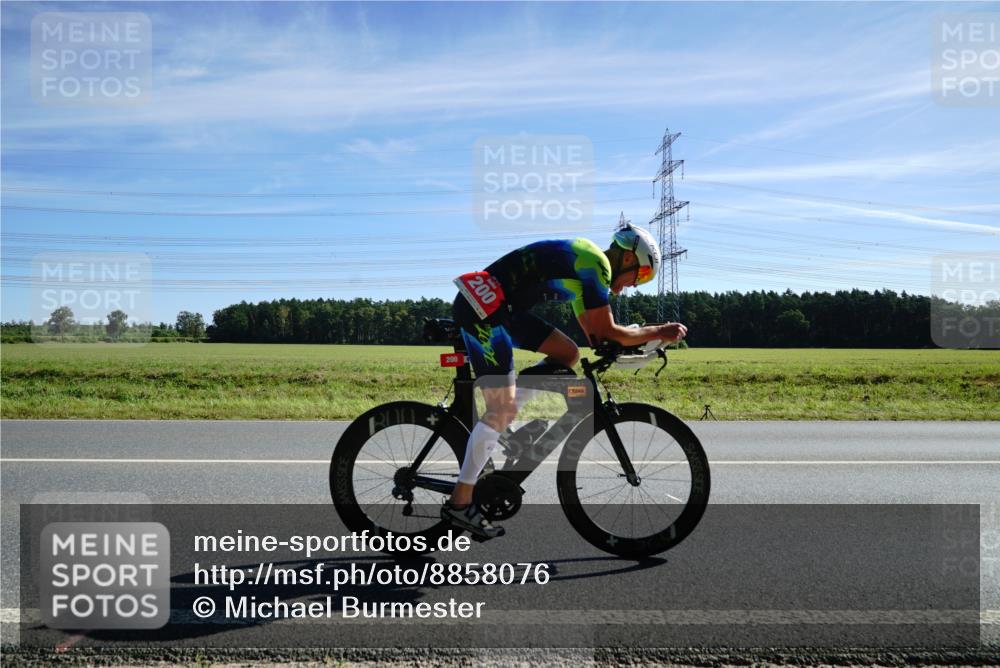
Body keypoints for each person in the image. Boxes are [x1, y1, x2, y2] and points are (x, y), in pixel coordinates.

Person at [441, 223, 688, 538]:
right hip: (484, 307)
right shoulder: (595, 264)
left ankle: (508, 427)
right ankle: (460, 502)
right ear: (628, 258)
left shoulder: (588, 274)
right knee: (500, 409)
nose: (633, 286)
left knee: (567, 354)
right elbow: (608, 331)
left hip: (503, 308)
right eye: (639, 277)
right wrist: (659, 331)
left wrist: (637, 342)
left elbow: (597, 336)